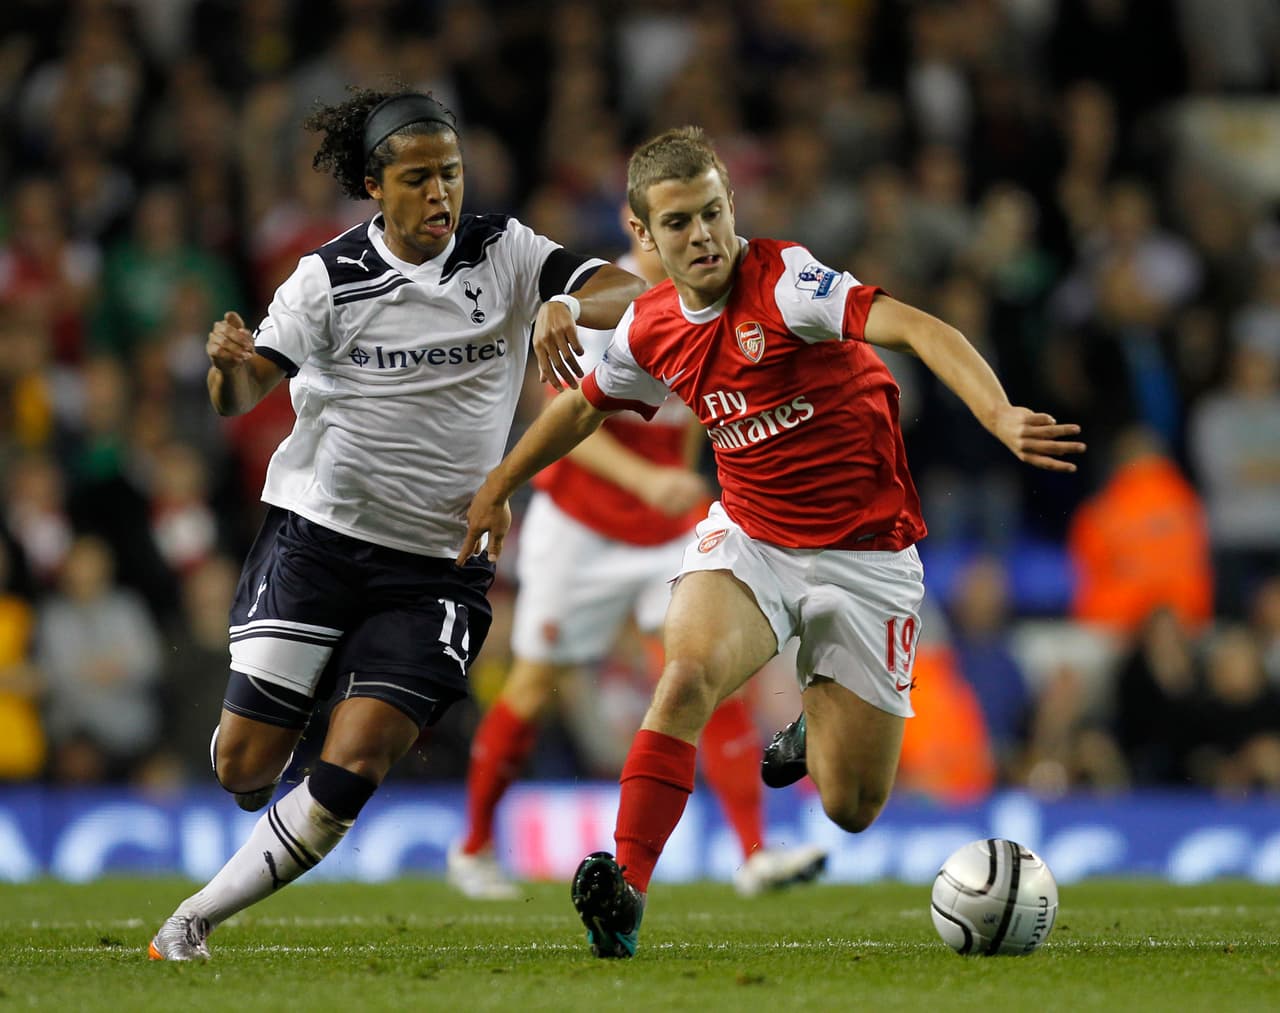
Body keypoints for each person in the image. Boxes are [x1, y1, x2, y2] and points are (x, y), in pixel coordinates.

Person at [458, 126, 1085, 959]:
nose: (703, 236)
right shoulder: (652, 326)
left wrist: (998, 410)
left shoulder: (789, 283)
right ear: (644, 238)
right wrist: (498, 484)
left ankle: (808, 730)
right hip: (753, 538)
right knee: (684, 677)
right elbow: (579, 407)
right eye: (678, 223)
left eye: (713, 213)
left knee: (851, 804)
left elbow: (919, 326)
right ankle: (629, 886)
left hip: (869, 556)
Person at [146, 87, 645, 961]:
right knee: (244, 768)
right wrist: (223, 368)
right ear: (374, 186)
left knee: (363, 751)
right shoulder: (327, 278)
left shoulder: (508, 251)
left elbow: (626, 288)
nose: (440, 194)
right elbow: (243, 394)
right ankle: (304, 699)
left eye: (450, 174)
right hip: (319, 540)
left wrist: (570, 304)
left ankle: (191, 918)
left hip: (438, 562)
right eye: (417, 178)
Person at [447, 218, 826, 901]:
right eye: (669, 225)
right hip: (579, 529)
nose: (688, 239)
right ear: (639, 228)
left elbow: (694, 417)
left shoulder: (712, 303)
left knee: (704, 674)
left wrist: (679, 493)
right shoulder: (606, 304)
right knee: (533, 686)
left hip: (662, 535)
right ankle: (471, 847)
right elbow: (564, 423)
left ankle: (755, 851)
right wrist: (650, 483)